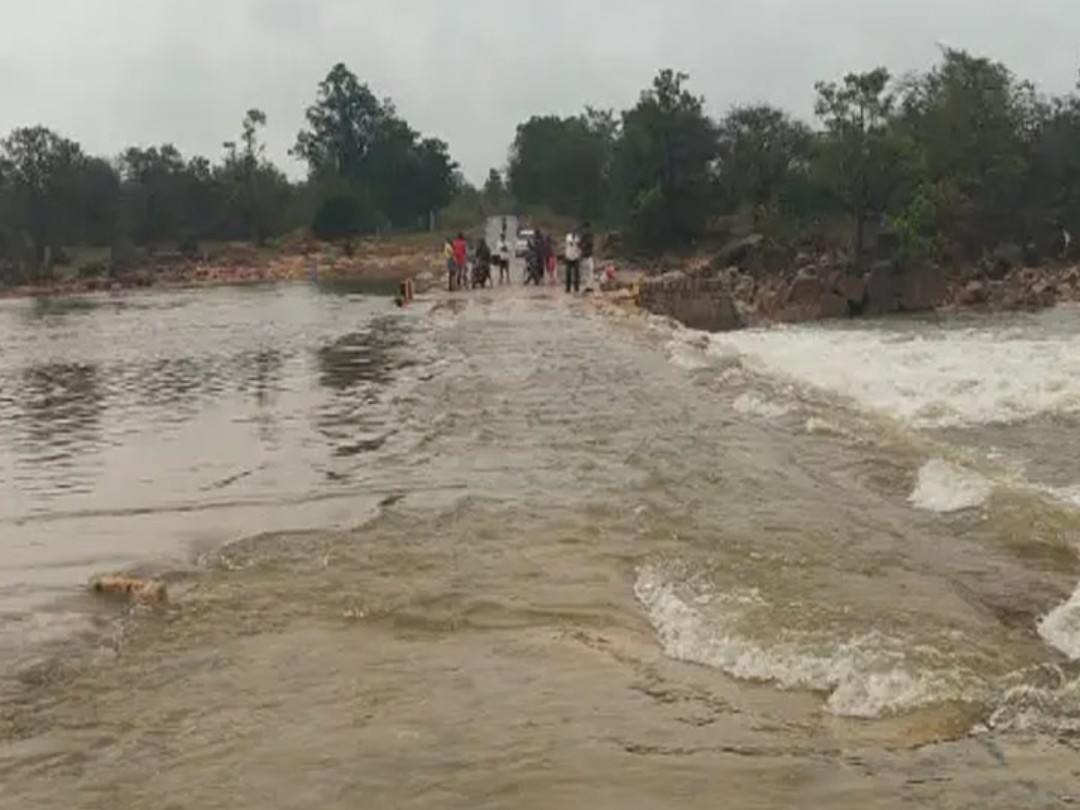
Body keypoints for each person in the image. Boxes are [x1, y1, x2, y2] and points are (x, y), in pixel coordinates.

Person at [578, 221, 595, 291]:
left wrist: (582, 247)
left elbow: (579, 245)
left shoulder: (584, 236)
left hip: (585, 256)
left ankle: (587, 286)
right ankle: (588, 286)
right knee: (589, 271)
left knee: (586, 272)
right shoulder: (588, 236)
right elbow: (589, 244)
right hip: (587, 256)